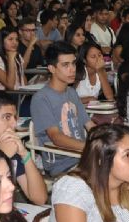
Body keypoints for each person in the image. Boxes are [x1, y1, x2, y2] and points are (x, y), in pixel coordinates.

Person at [31, 42, 93, 175]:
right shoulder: (41, 99)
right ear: (52, 68)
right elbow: (56, 137)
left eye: (73, 63)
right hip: (63, 164)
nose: (72, 69)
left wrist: (107, 139)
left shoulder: (71, 92)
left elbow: (89, 125)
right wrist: (91, 148)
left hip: (84, 158)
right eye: (65, 65)